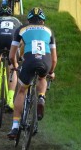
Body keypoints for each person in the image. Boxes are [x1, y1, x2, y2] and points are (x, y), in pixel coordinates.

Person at [7, 8, 57, 139]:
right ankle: (41, 96)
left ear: (28, 20)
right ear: (43, 21)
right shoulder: (49, 31)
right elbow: (54, 59)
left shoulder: (22, 29)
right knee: (42, 77)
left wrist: (16, 66)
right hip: (45, 61)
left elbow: (12, 55)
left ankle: (15, 126)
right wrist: (51, 72)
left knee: (22, 90)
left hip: (29, 61)